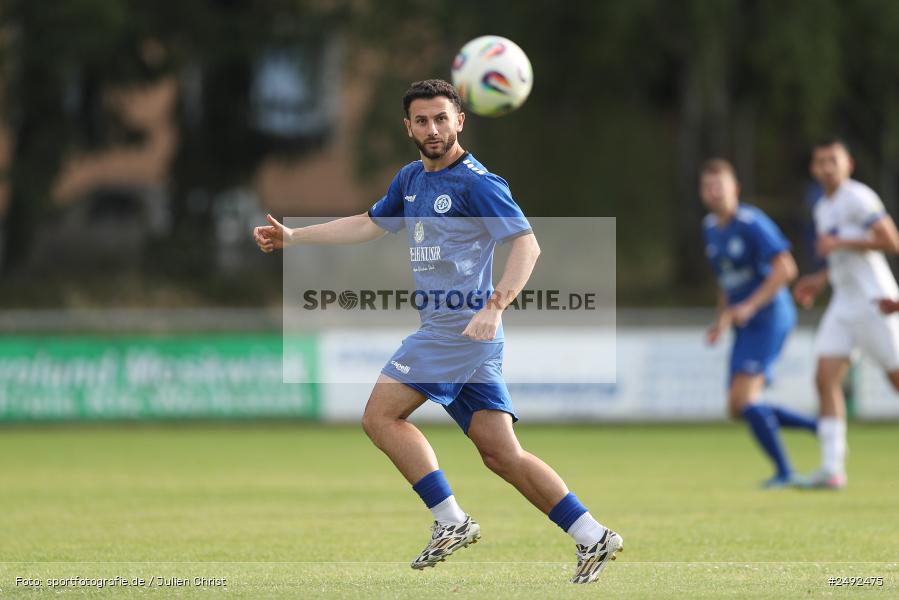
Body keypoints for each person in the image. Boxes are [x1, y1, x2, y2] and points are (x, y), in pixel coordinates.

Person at [253, 79, 622, 583]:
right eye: (422, 121)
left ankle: (451, 520)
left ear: (460, 121)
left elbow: (527, 246)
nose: (433, 129)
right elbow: (369, 222)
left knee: (380, 417)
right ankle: (592, 535)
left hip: (457, 329)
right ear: (408, 126)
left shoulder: (478, 183)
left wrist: (495, 305)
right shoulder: (411, 179)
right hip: (466, 337)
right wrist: (296, 236)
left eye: (442, 119)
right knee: (501, 453)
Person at [700, 158, 818, 488]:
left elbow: (786, 268)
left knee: (745, 400)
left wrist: (750, 305)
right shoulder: (709, 227)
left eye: (718, 185)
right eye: (707, 187)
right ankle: (817, 427)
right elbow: (727, 281)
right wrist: (721, 319)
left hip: (770, 316)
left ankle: (785, 471)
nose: (713, 192)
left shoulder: (752, 222)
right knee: (737, 407)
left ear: (734, 188)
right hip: (745, 322)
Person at [792, 138, 899, 489]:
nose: (826, 167)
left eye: (833, 161)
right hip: (843, 303)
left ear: (848, 164)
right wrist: (818, 281)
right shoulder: (823, 206)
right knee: (824, 378)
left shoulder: (859, 197)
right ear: (813, 168)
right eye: (820, 162)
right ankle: (832, 469)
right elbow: (840, 258)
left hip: (874, 299)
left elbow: (890, 241)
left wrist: (840, 243)